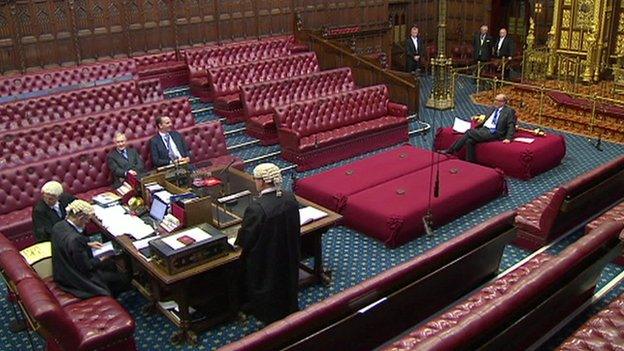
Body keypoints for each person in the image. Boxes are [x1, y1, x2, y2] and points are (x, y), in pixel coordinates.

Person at [235, 163, 301, 324]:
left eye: (255, 179)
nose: (255, 182)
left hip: (264, 260)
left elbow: (245, 241)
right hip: (288, 255)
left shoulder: (256, 208)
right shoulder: (289, 198)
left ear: (263, 182)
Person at [51, 200, 129, 299]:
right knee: (122, 279)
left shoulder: (58, 226)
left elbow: (67, 242)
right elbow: (86, 267)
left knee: (110, 265)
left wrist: (87, 244)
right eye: (87, 220)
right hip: (75, 278)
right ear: (80, 217)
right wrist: (101, 258)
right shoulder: (75, 239)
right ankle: (113, 299)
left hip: (62, 272)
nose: (87, 223)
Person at [443, 94, 516, 162]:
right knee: (469, 141)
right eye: (495, 100)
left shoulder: (509, 111)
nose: (495, 102)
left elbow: (511, 125)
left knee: (469, 132)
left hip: (495, 132)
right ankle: (470, 161)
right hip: (484, 129)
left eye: (497, 101)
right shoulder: (492, 108)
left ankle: (451, 150)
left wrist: (508, 138)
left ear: (503, 102)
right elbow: (486, 118)